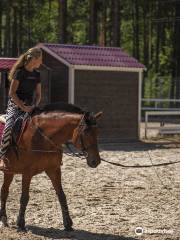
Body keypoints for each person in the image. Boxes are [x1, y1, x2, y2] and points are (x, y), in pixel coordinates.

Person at [0, 47, 42, 170]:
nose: (41, 62)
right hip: (15, 105)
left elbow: (39, 95)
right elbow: (12, 93)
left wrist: (34, 105)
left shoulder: (37, 74)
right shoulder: (20, 72)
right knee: (9, 127)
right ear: (34, 59)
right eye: (40, 59)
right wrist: (23, 107)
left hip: (30, 106)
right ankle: (2, 157)